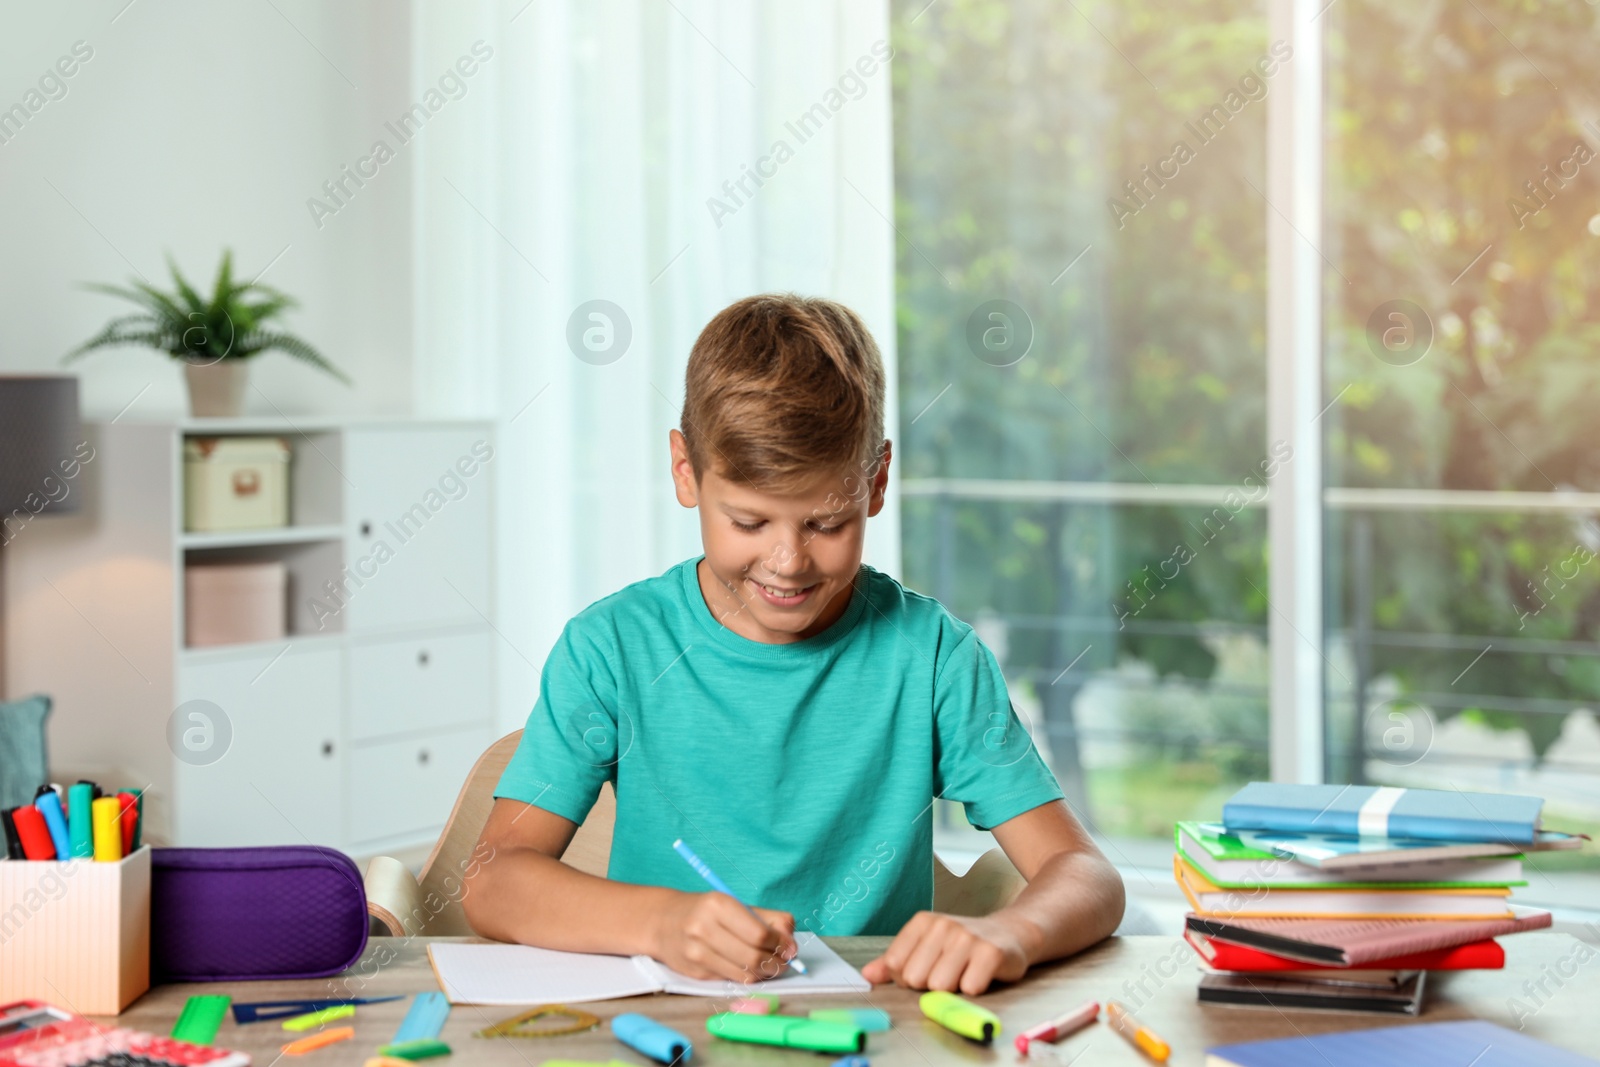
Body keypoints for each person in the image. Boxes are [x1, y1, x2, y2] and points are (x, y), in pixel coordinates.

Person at [464, 293, 1124, 994]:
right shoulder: (611, 648)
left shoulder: (932, 657)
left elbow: (1087, 876)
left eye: (826, 522)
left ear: (876, 482)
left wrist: (1009, 931)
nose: (788, 561)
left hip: (873, 1029)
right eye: (749, 521)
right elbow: (491, 879)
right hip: (667, 1028)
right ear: (685, 472)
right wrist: (661, 921)